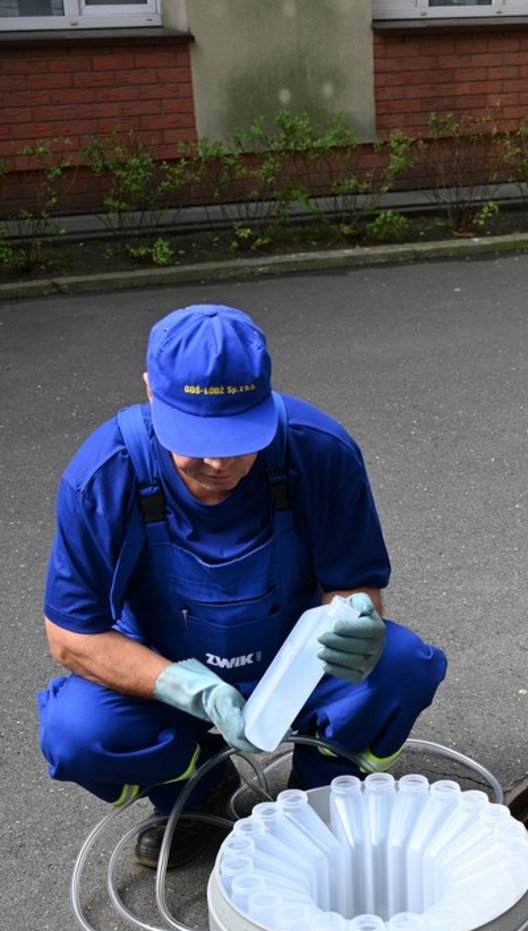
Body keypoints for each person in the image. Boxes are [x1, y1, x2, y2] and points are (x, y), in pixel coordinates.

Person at [37, 302, 447, 868]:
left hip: (293, 663)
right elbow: (70, 637)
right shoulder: (105, 473)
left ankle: (321, 790)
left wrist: (355, 620)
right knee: (76, 731)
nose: (215, 462)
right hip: (164, 665)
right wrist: (188, 689)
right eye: (194, 436)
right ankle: (192, 795)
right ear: (151, 392)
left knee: (401, 666)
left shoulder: (318, 449)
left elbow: (353, 586)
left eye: (236, 437)